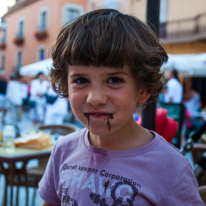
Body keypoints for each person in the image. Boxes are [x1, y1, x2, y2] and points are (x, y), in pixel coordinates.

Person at [38, 9, 204, 206]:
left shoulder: (171, 167)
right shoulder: (63, 150)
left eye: (114, 80)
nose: (95, 98)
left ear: (143, 89)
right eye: (81, 80)